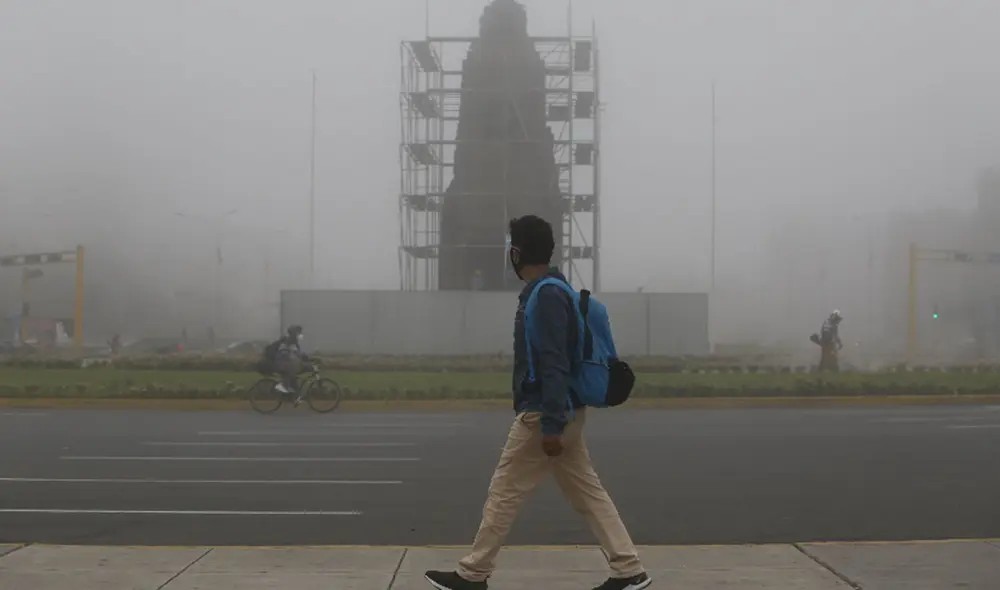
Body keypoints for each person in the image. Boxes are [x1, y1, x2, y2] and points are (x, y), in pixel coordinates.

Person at [424, 215, 650, 590]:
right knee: (587, 493)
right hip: (564, 409)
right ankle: (629, 569)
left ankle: (473, 573)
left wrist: (551, 424)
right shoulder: (555, 290)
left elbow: (553, 362)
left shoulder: (545, 296)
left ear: (516, 253)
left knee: (505, 491)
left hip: (546, 411)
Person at [265, 325, 311, 401]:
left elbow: (298, 354)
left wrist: (306, 358)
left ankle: (292, 395)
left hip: (285, 362)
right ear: (294, 333)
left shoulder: (292, 341)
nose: (300, 335)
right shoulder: (289, 341)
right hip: (282, 363)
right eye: (299, 333)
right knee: (293, 372)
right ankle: (286, 390)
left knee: (294, 377)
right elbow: (292, 354)